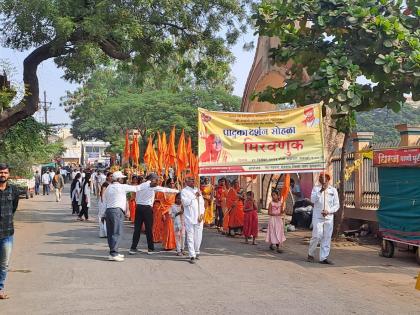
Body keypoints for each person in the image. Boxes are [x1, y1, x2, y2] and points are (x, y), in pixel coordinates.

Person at [102, 171, 149, 262]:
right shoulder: (122, 186)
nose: (123, 179)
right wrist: (148, 182)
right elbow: (137, 188)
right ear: (119, 179)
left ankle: (113, 252)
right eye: (122, 178)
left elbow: (105, 199)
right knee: (116, 232)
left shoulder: (109, 187)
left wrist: (104, 213)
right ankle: (113, 253)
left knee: (111, 232)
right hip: (117, 211)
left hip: (109, 210)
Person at [129, 173, 178, 255]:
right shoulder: (151, 186)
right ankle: (150, 249)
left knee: (137, 229)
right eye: (156, 179)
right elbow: (165, 190)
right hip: (147, 209)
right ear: (152, 179)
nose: (158, 181)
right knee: (148, 229)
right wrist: (177, 191)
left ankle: (133, 248)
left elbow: (134, 190)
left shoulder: (140, 185)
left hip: (139, 208)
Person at [307, 172, 339, 265]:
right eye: (321, 178)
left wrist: (329, 211)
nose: (322, 180)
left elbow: (337, 205)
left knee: (327, 237)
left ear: (328, 179)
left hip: (328, 217)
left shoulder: (333, 190)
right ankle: (311, 253)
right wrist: (321, 191)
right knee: (317, 235)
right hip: (318, 216)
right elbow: (313, 200)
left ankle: (323, 257)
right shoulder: (316, 189)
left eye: (324, 178)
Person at [0, 163, 20, 299]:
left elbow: (13, 208)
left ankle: (0, 289)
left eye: (5, 172)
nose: (3, 175)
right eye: (1, 172)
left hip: (7, 233)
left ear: (9, 174)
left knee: (3, 264)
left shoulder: (13, 190)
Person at [181, 175, 205, 264]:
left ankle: (197, 251)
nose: (192, 181)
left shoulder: (197, 190)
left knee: (198, 236)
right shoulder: (184, 191)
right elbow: (185, 203)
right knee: (190, 236)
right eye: (190, 180)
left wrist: (202, 213)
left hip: (199, 217)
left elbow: (202, 203)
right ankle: (192, 255)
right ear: (186, 182)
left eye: (193, 180)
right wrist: (194, 196)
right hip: (190, 217)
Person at [161, 178, 177, 251]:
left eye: (173, 183)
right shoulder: (164, 192)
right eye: (170, 183)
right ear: (167, 184)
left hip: (176, 211)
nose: (172, 184)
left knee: (176, 229)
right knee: (168, 229)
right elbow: (162, 203)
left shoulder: (176, 192)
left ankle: (175, 244)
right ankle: (167, 245)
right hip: (167, 212)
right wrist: (163, 213)